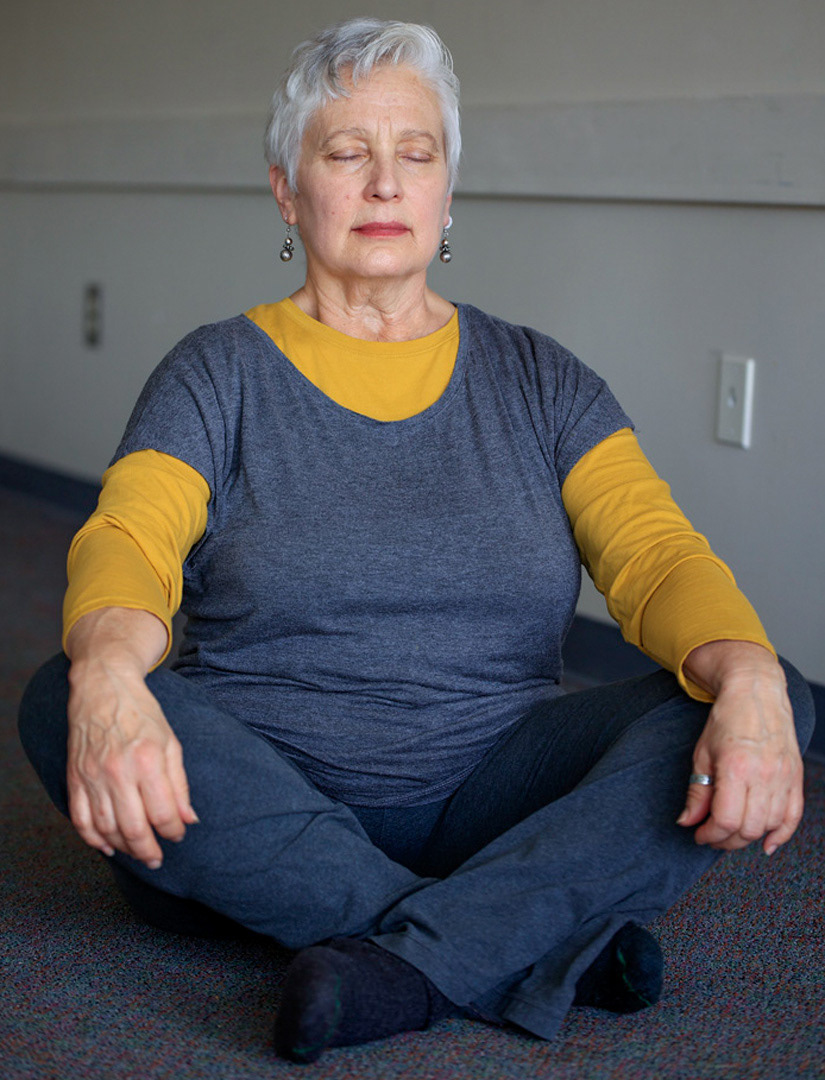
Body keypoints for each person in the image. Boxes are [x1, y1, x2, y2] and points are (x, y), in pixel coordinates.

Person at [18, 17, 814, 1065]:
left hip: (493, 783)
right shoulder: (217, 373)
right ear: (287, 190)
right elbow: (130, 532)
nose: (386, 184)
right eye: (347, 153)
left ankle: (414, 952)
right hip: (264, 780)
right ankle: (529, 934)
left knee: (767, 686)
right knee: (61, 690)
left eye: (417, 154)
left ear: (448, 194)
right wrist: (113, 670)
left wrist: (750, 675)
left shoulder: (540, 379)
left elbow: (656, 554)